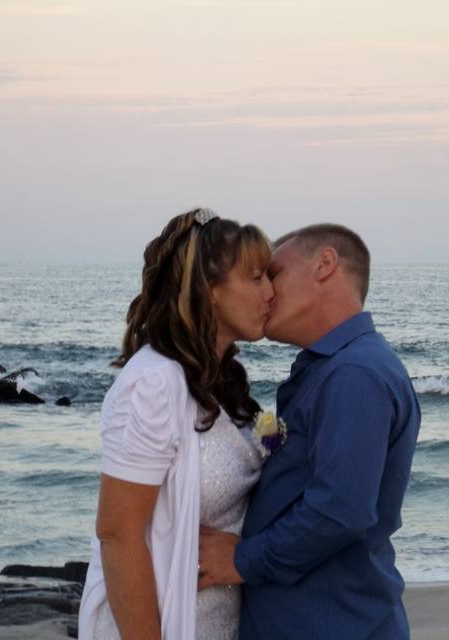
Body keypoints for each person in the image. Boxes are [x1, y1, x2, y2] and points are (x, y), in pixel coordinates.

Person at [199, 224, 422, 639]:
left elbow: (340, 511)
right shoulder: (332, 368)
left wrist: (242, 560)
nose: (265, 291)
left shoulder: (354, 374)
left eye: (275, 273)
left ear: (325, 265)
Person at [78, 208, 275, 640]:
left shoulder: (221, 384)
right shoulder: (155, 381)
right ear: (211, 291)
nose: (271, 292)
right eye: (257, 277)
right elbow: (118, 534)